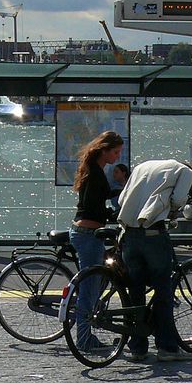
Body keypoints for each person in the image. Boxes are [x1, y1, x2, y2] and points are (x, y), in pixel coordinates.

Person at [116, 159, 192, 362]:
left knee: (135, 291)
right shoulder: (185, 171)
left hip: (128, 234)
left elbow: (121, 199)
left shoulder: (142, 166)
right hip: (153, 234)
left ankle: (138, 347)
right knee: (163, 290)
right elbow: (178, 200)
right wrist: (173, 211)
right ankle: (167, 347)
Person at [71, 130, 124, 350]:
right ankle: (84, 339)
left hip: (85, 232)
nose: (118, 157)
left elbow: (94, 201)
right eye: (115, 152)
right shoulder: (95, 173)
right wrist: (113, 215)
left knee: (95, 282)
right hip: (89, 235)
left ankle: (86, 330)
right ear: (104, 150)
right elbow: (94, 206)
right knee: (89, 289)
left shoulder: (93, 169)